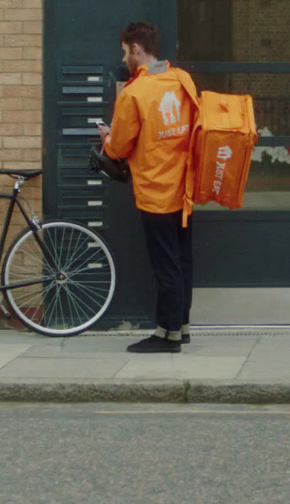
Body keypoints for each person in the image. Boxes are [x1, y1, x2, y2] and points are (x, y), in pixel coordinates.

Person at [96, 22, 199, 354]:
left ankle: (166, 337)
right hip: (184, 188)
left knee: (165, 265)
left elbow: (119, 148)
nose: (123, 57)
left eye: (124, 50)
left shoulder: (134, 92)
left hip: (156, 190)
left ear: (136, 48)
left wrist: (107, 138)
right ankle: (180, 328)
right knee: (182, 261)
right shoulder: (182, 80)